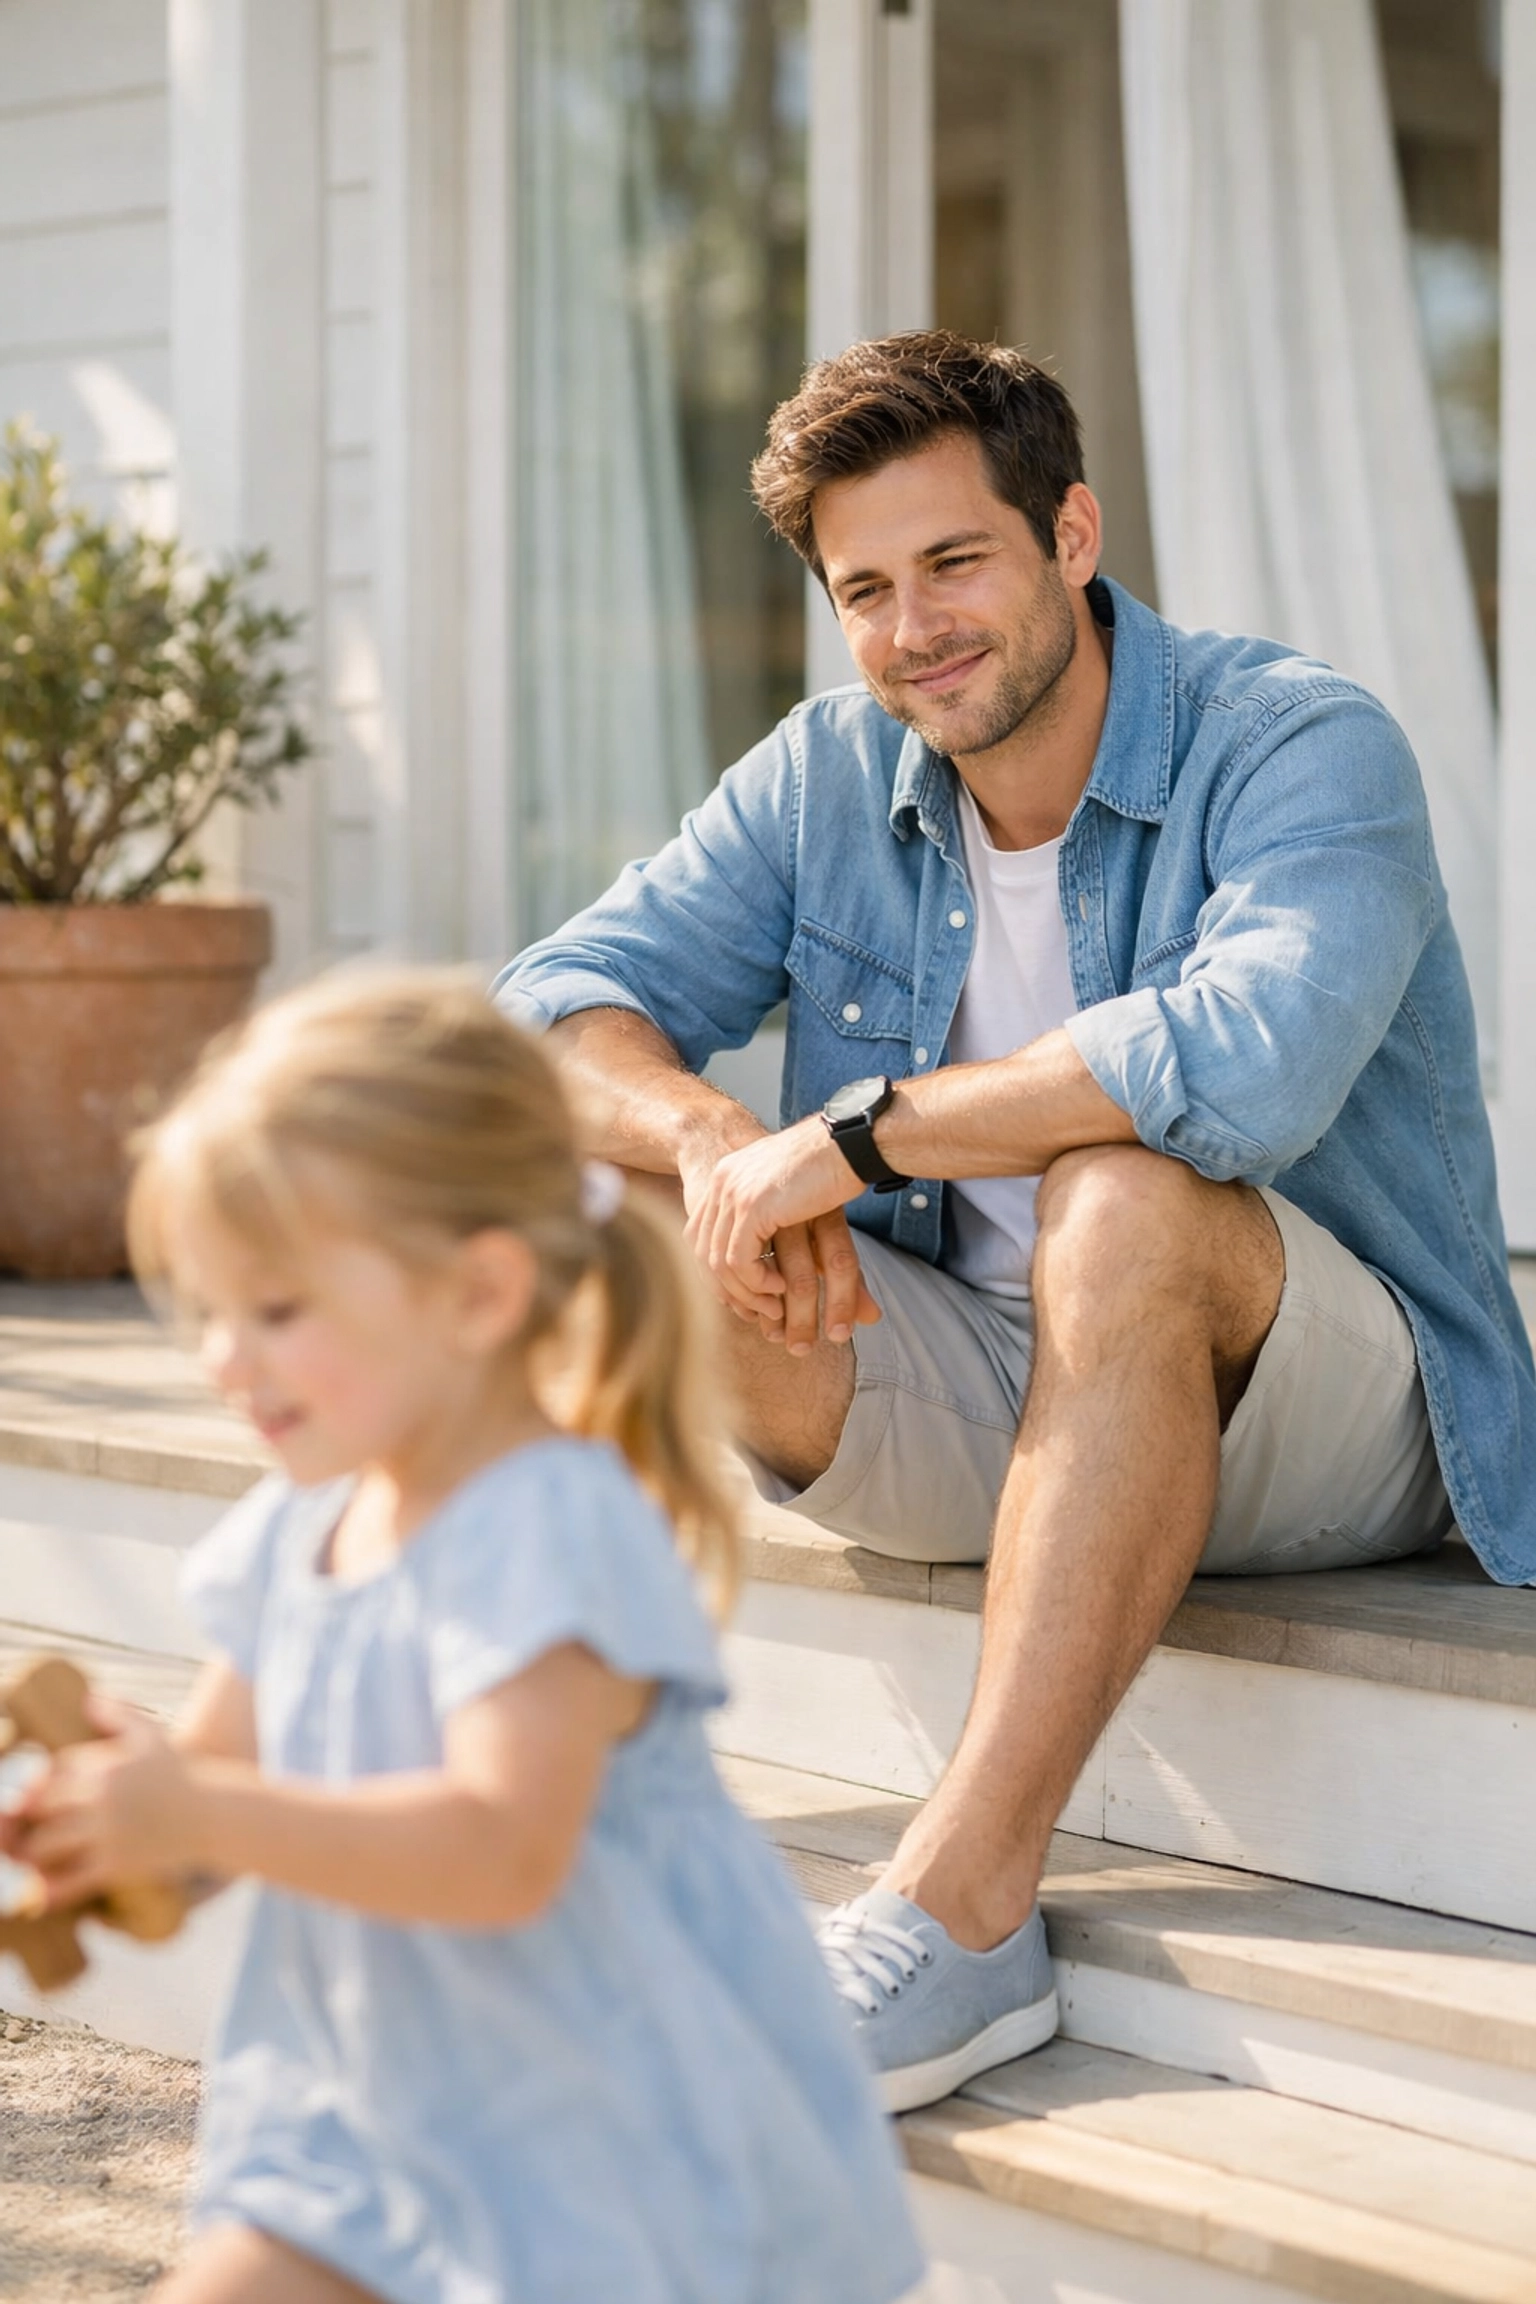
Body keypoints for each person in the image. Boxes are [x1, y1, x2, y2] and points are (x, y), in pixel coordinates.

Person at [496, 330, 1536, 2116]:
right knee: (587, 1196)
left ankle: (966, 1913)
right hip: (983, 1392)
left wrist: (858, 1135)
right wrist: (714, 1142)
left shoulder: (1298, 741)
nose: (915, 631)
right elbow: (552, 1000)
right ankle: (526, 1800)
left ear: (1070, 533)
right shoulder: (826, 775)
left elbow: (1251, 1067)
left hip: (1321, 1408)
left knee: (1120, 1197)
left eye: (954, 562)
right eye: (865, 591)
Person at [7, 971, 924, 2304]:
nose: (222, 1361)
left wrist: (202, 1804)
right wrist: (118, 1831)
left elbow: (502, 1852)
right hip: (364, 2108)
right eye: (211, 1314)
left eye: (277, 1313)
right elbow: (222, 1810)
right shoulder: (298, 1528)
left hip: (592, 2152)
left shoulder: (545, 1523)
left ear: (481, 1293)